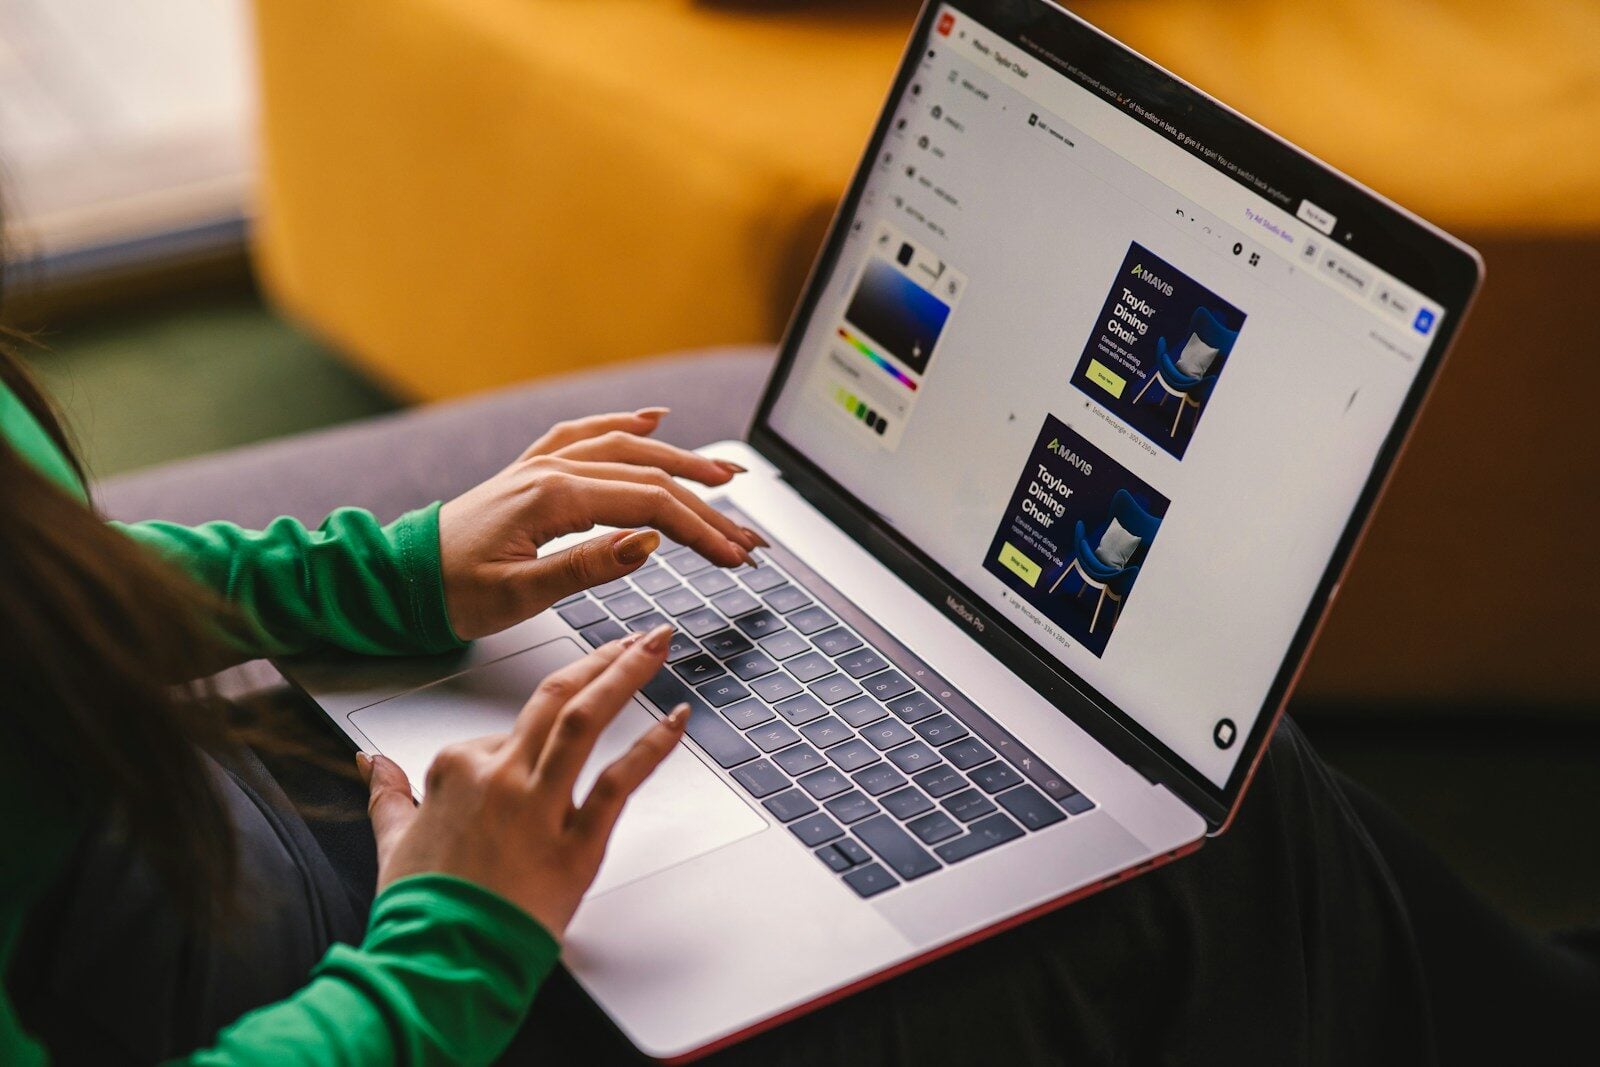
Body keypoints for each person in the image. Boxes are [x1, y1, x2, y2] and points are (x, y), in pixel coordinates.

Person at [2, 312, 1596, 1064]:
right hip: (345, 1010)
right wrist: (455, 942)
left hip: (209, 844)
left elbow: (31, 573)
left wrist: (381, 569)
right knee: (1232, 836)